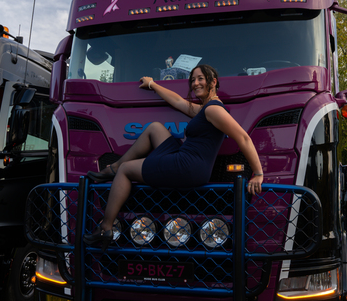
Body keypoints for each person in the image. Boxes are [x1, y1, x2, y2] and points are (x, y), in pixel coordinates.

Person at [84, 64, 264, 252]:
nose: (195, 83)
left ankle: (105, 227)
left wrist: (258, 173)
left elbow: (243, 137)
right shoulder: (206, 109)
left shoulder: (213, 110)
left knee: (126, 170)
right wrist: (153, 84)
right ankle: (114, 167)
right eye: (193, 80)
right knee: (155, 128)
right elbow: (178, 101)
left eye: (201, 78)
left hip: (188, 165)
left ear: (213, 82)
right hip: (187, 160)